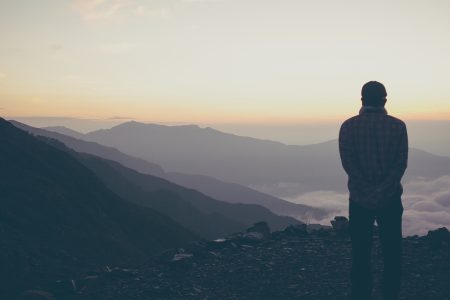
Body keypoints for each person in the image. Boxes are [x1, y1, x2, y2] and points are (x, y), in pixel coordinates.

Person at [338, 81, 408, 300]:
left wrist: (366, 190)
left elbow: (348, 164)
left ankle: (361, 294)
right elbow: (400, 164)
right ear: (385, 100)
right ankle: (390, 293)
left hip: (359, 198)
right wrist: (383, 190)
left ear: (362, 100)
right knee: (392, 249)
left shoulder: (348, 126)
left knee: (360, 251)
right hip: (390, 197)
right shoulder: (398, 126)